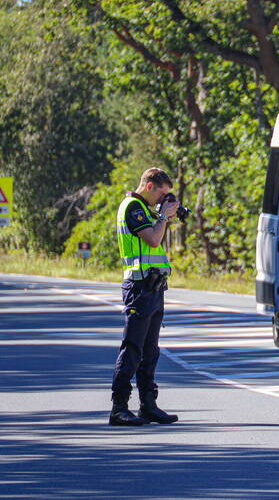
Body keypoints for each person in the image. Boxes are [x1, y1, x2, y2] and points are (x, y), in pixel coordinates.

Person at [109, 167, 180, 426]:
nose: (163, 199)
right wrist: (163, 217)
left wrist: (164, 216)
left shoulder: (146, 210)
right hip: (139, 287)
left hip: (153, 287)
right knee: (133, 348)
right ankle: (119, 407)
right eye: (162, 193)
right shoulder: (133, 207)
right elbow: (152, 240)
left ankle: (148, 405)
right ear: (149, 186)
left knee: (150, 350)